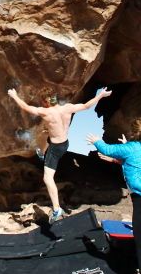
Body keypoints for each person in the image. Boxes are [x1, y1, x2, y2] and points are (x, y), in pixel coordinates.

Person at [8, 86, 112, 224]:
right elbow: (87, 106)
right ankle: (42, 152)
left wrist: (14, 95)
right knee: (45, 133)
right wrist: (101, 95)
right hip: (65, 143)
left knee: (47, 178)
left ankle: (57, 208)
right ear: (56, 99)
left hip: (56, 148)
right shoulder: (67, 108)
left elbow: (26, 107)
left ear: (45, 102)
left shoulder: (46, 112)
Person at [87, 118, 141, 274]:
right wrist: (125, 147)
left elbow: (108, 150)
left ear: (133, 133)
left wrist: (97, 141)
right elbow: (136, 163)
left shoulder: (131, 148)